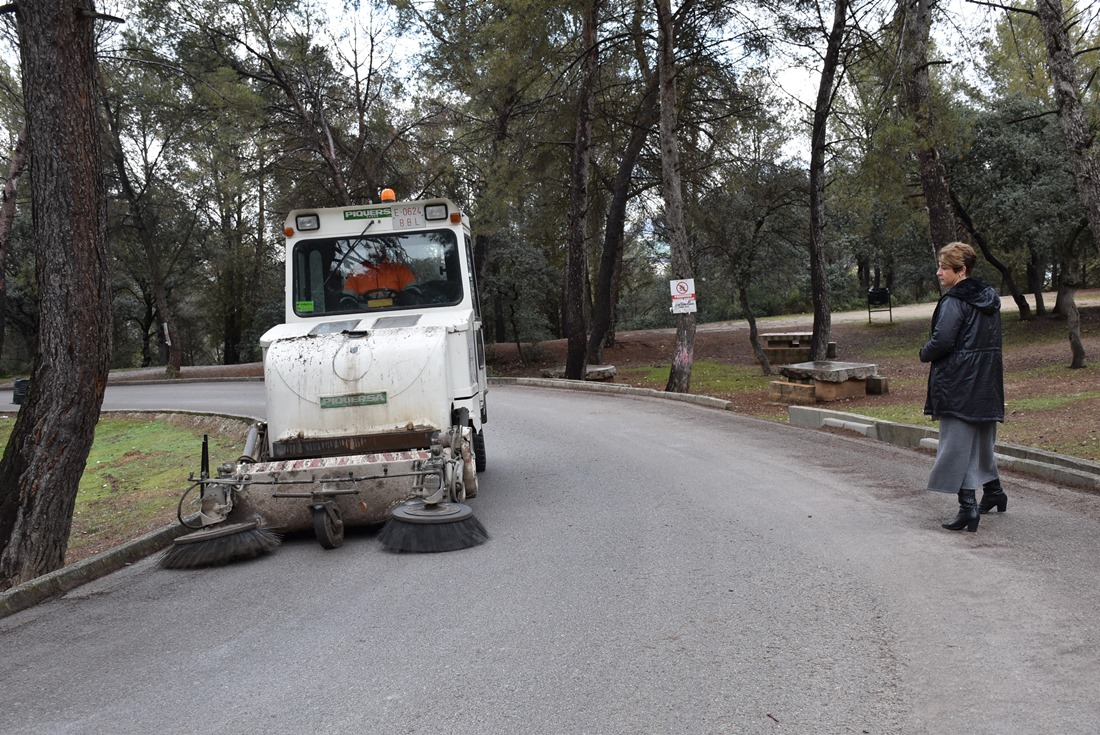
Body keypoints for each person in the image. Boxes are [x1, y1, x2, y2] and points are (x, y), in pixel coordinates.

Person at [920, 241, 1007, 533]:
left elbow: (942, 341)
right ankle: (993, 492)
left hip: (958, 382)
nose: (938, 273)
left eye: (944, 268)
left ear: (961, 271)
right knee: (981, 442)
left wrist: (924, 352)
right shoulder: (989, 298)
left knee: (956, 446)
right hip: (985, 382)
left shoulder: (954, 301)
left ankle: (967, 507)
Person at [344, 253, 414, 296]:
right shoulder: (356, 273)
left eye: (378, 247)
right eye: (370, 248)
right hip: (365, 314)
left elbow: (413, 291)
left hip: (397, 312)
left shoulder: (399, 269)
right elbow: (348, 298)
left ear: (384, 249)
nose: (376, 252)